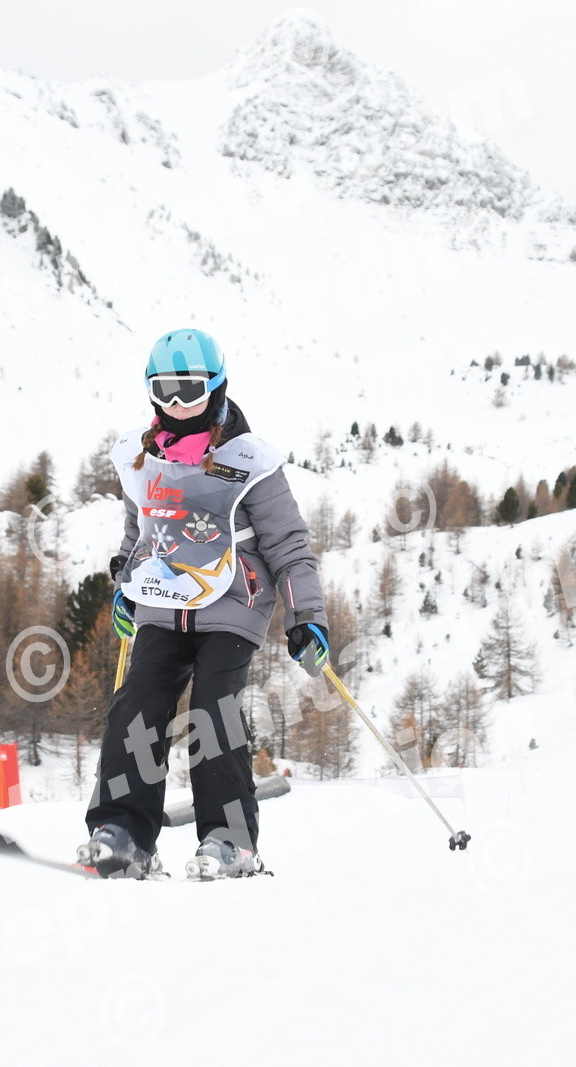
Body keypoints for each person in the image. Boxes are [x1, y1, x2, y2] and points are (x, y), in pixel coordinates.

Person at [79, 328, 330, 880]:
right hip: (163, 598)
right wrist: (124, 586)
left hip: (233, 600)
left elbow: (290, 547)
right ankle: (124, 833)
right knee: (136, 702)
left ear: (216, 388)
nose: (176, 404)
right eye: (164, 390)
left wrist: (306, 618)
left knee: (213, 707)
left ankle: (231, 841)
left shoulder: (251, 463)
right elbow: (139, 534)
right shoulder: (141, 460)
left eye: (189, 390)